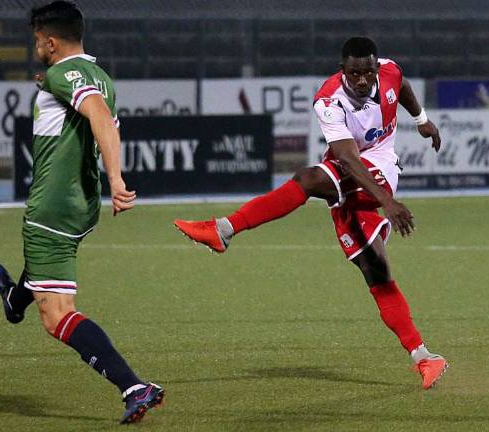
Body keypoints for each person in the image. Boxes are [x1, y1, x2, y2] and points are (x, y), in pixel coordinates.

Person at [175, 36, 448, 390]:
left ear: (376, 67)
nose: (362, 80)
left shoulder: (389, 72)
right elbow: (347, 158)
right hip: (353, 168)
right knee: (375, 270)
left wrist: (422, 119)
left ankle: (224, 229)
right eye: (354, 73)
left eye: (368, 72)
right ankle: (425, 357)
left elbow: (403, 86)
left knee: (307, 179)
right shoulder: (328, 100)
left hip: (381, 167)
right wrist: (387, 203)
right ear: (342, 70)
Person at [0, 1, 164, 424]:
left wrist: (117, 180)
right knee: (47, 268)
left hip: (51, 206)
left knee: (57, 315)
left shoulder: (64, 74)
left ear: (50, 41)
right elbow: (92, 108)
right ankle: (14, 297)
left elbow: (99, 117)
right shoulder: (97, 75)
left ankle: (134, 386)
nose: (35, 47)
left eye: (36, 40)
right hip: (82, 205)